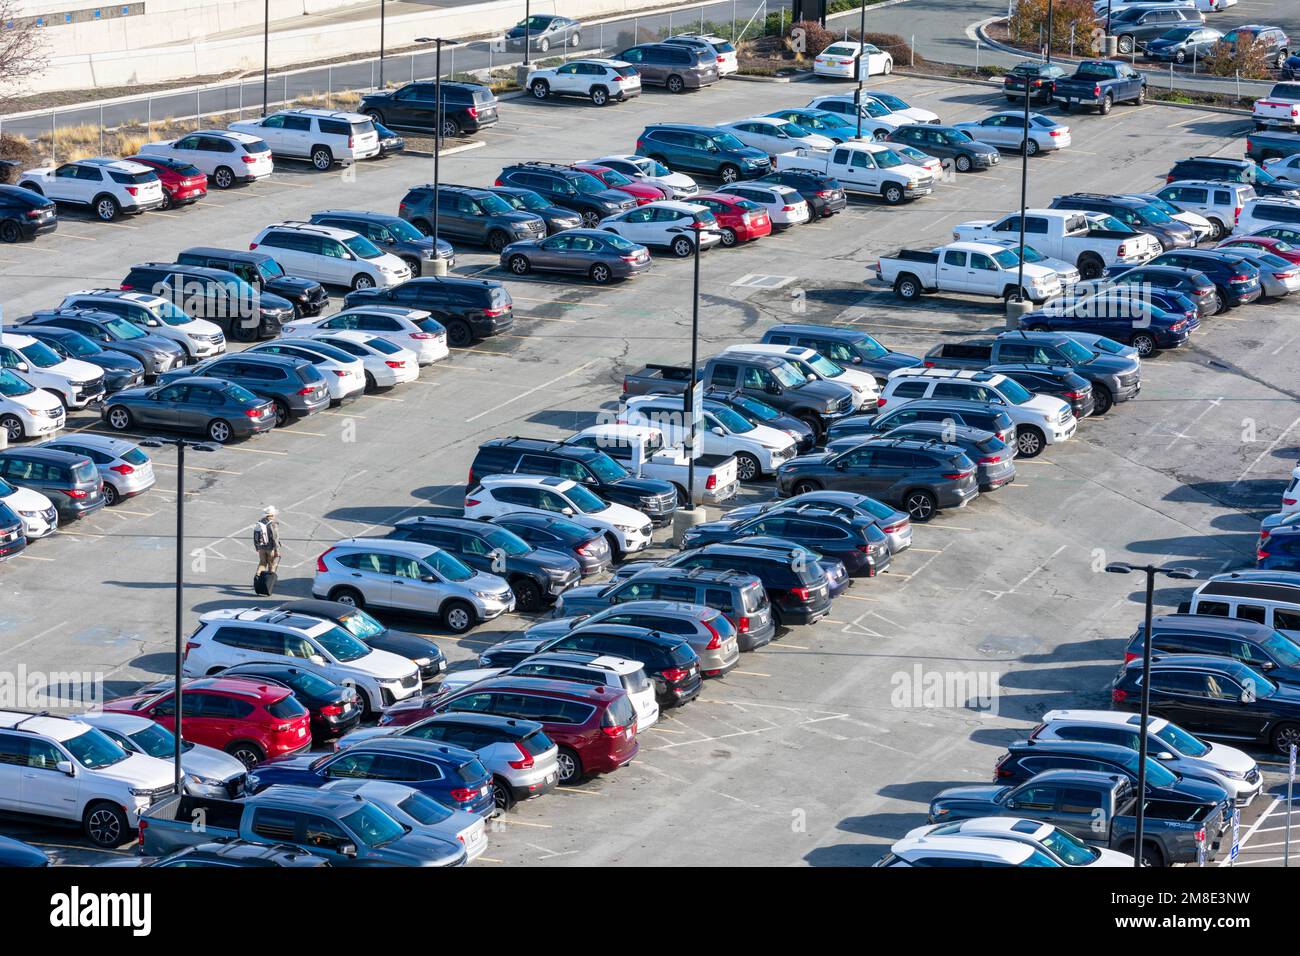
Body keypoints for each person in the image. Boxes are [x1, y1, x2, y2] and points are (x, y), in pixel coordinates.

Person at [253, 506, 280, 576]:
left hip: (261, 547)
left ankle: (257, 577)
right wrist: (277, 550)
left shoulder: (259, 523)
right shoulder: (273, 523)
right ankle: (269, 580)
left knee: (262, 563)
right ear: (272, 515)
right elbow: (275, 538)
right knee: (272, 564)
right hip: (270, 548)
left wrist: (257, 547)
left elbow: (256, 535)